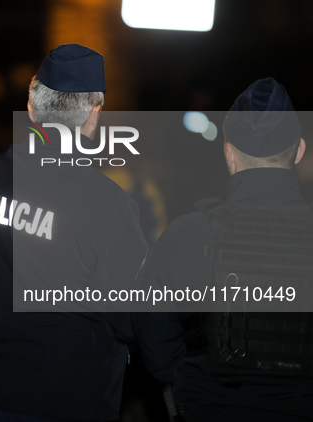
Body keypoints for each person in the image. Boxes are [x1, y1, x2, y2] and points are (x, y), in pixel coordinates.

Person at [0, 44, 148, 421]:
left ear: (31, 104)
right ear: (94, 114)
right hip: (70, 398)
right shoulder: (107, 202)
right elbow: (133, 314)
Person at [133, 78, 313, 421]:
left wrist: (194, 383)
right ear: (299, 151)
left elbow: (153, 345)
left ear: (228, 153)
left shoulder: (183, 235)